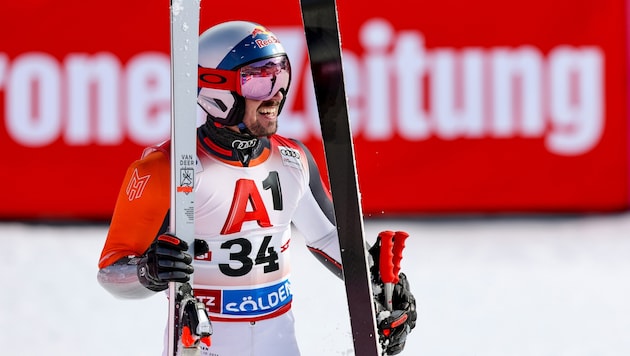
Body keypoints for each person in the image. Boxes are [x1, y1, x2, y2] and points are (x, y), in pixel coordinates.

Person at [97, 20, 416, 356]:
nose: (276, 94)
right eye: (259, 81)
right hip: (203, 344)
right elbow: (110, 271)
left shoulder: (293, 159)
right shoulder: (165, 168)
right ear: (215, 89)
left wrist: (380, 284)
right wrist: (149, 271)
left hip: (279, 344)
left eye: (281, 75)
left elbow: (326, 236)